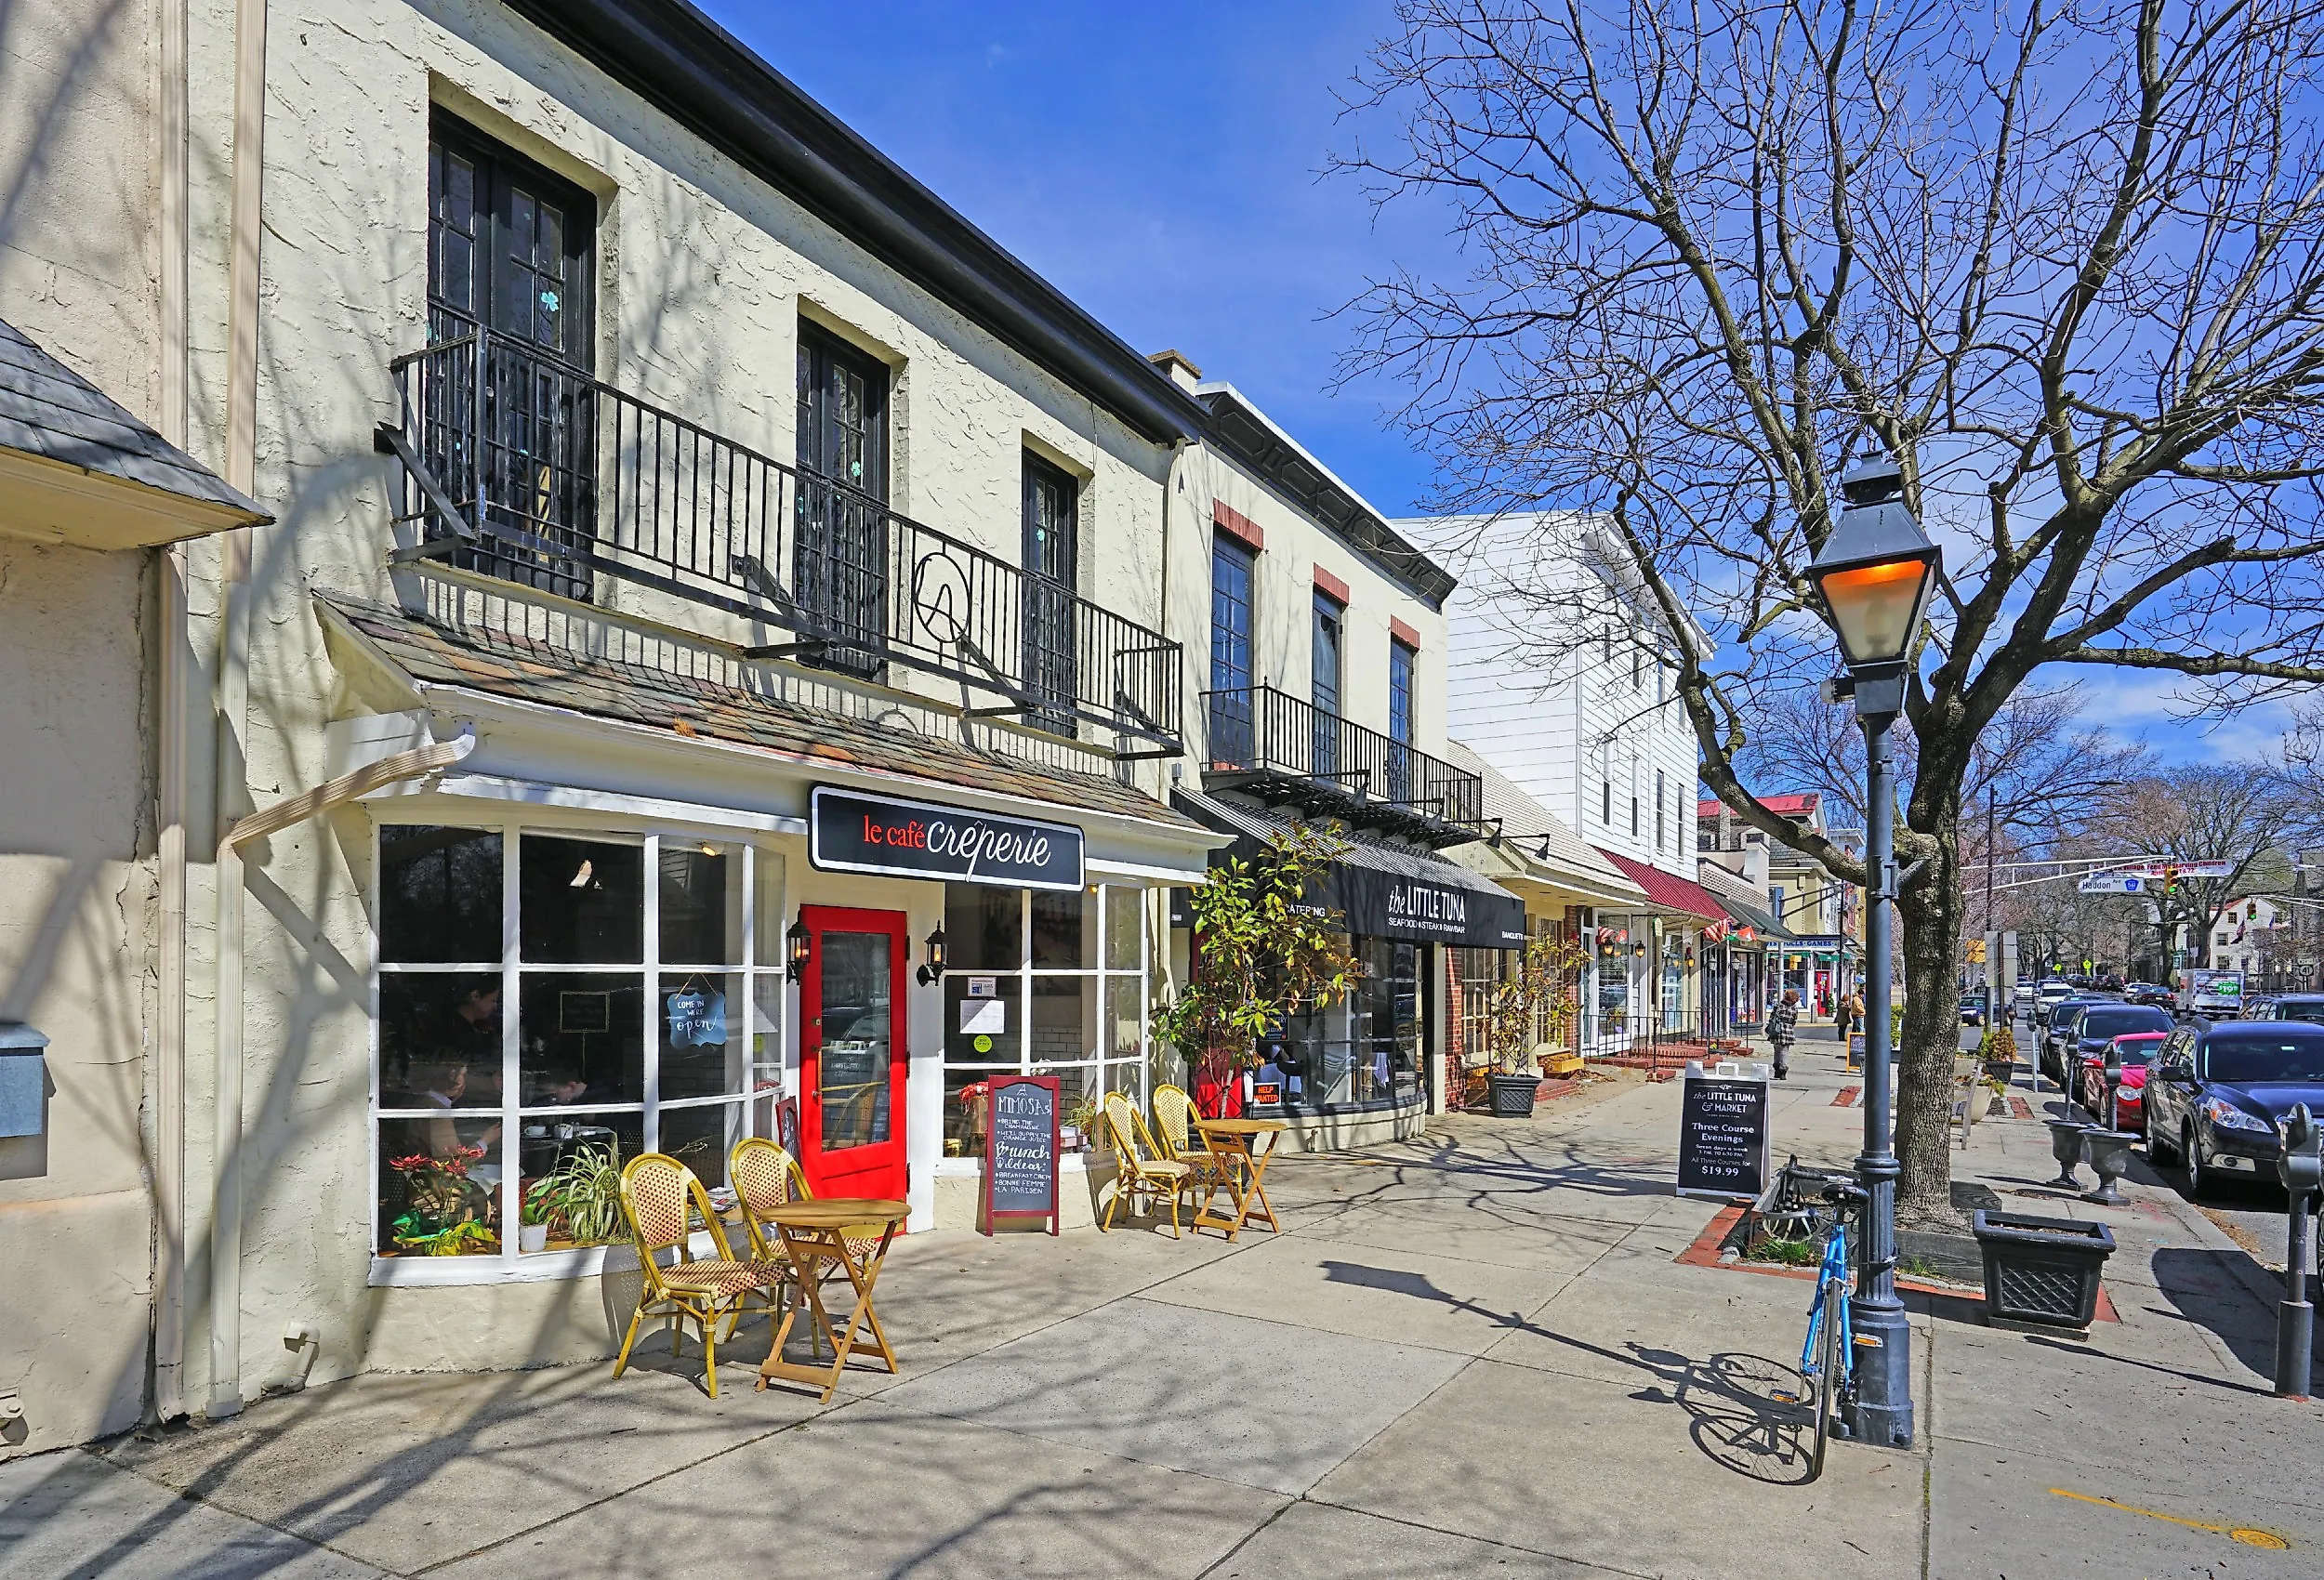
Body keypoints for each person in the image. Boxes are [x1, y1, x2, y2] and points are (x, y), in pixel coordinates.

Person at [1767, 989, 1801, 1080]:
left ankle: (1777, 1070)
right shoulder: (1794, 1009)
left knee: (1777, 1050)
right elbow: (1794, 1021)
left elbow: (1771, 1018)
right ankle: (1783, 1070)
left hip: (1777, 1030)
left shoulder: (1778, 1006)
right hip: (1788, 1030)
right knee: (1785, 1051)